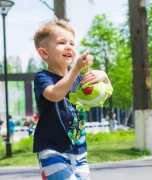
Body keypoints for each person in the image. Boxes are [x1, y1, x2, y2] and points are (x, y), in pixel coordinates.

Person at [33, 19, 112, 180]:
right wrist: (76, 69)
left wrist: (104, 79)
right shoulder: (43, 77)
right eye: (62, 43)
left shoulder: (79, 79)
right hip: (52, 149)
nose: (69, 47)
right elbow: (55, 94)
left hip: (79, 151)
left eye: (72, 43)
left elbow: (103, 96)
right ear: (44, 53)